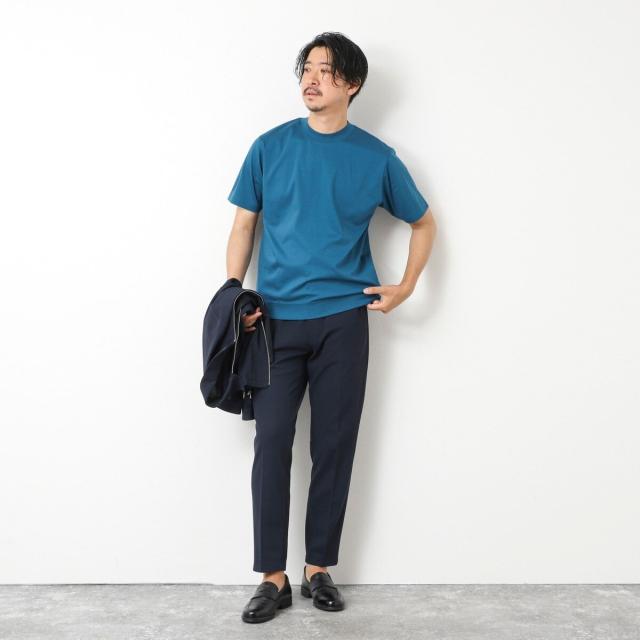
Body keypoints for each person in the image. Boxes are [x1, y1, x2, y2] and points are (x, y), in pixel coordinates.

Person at [225, 32, 437, 624]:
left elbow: (424, 223)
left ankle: (318, 567)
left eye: (326, 70)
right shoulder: (269, 147)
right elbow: (243, 226)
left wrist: (406, 285)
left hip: (345, 321)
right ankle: (271, 577)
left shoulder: (376, 157)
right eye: (307, 69)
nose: (311, 80)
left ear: (353, 84)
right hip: (274, 322)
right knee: (271, 445)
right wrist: (234, 292)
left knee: (334, 446)